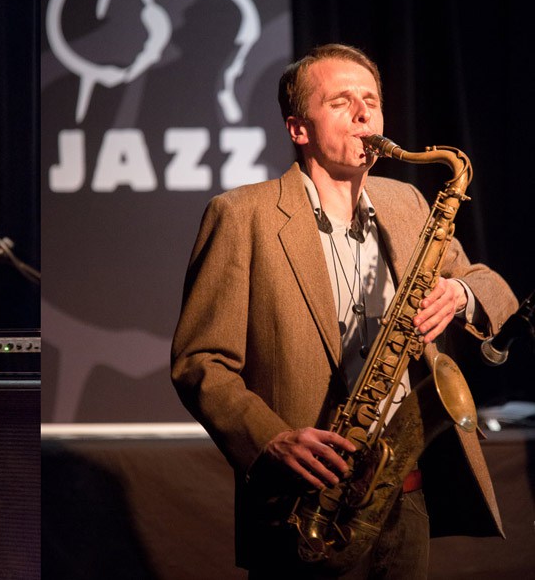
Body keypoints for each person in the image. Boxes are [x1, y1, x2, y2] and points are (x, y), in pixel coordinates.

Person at [171, 44, 516, 578]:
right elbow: (201, 363)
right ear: (298, 129)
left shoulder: (408, 203)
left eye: (371, 102)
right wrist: (270, 439)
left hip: (406, 497)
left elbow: (485, 282)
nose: (363, 115)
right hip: (305, 503)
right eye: (341, 102)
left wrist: (460, 295)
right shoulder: (241, 215)